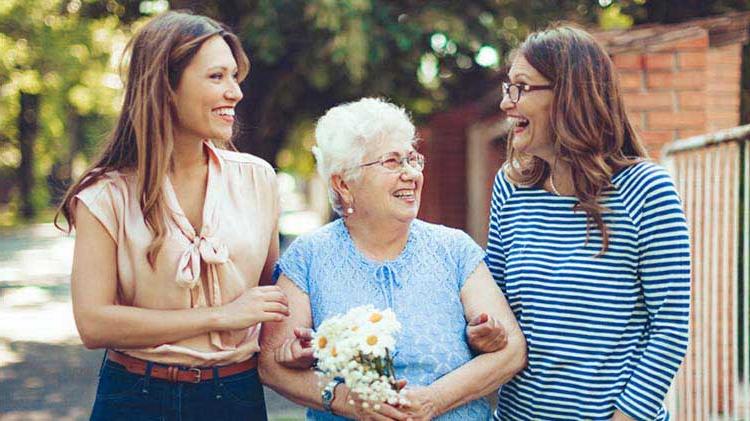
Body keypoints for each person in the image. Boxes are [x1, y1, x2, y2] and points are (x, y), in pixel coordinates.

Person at [56, 11, 288, 420]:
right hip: (133, 397)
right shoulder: (105, 195)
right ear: (166, 86)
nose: (235, 92)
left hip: (235, 397)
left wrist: (292, 343)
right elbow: (93, 323)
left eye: (235, 77)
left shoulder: (258, 180)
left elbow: (268, 297)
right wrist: (218, 316)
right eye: (217, 77)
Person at [259, 97, 526, 421]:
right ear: (344, 183)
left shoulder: (453, 249)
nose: (411, 173)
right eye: (392, 162)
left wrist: (433, 400)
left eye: (413, 160)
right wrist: (345, 400)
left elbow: (512, 348)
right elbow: (272, 364)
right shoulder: (309, 257)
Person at [487, 25, 691, 421]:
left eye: (521, 88)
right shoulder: (510, 187)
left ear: (569, 95)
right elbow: (496, 307)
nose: (506, 104)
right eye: (506, 88)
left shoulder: (646, 190)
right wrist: (485, 330)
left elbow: (669, 327)